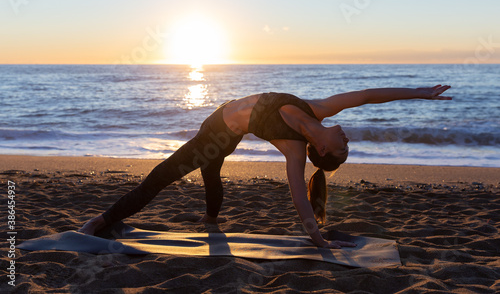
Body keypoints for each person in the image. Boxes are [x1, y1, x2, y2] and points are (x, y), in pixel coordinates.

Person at [78, 85, 452, 249]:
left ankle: (99, 222)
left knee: (162, 177)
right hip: (218, 114)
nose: (347, 140)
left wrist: (317, 238)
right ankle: (210, 221)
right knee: (210, 174)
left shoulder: (293, 149)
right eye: (347, 147)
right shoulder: (320, 110)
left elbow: (298, 199)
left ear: (322, 149)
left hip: (219, 134)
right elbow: (369, 96)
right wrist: (420, 93)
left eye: (344, 149)